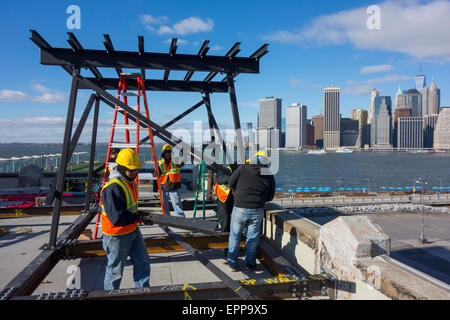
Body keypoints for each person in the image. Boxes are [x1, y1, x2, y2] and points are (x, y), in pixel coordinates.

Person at [100, 148, 151, 290]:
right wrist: (137, 217)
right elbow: (117, 217)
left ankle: (142, 291)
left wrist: (140, 216)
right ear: (122, 168)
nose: (135, 172)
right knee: (115, 272)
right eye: (131, 170)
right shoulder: (113, 188)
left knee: (143, 263)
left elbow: (129, 208)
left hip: (132, 230)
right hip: (116, 236)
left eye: (136, 169)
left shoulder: (129, 181)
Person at [226, 151, 276, 272]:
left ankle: (232, 264)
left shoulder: (243, 167)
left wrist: (237, 194)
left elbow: (231, 182)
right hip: (257, 209)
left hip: (239, 207)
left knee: (235, 235)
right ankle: (250, 264)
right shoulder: (268, 173)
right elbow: (270, 196)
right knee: (252, 238)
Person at [158, 144, 185, 217]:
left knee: (177, 203)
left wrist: (181, 153)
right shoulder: (160, 163)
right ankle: (166, 218)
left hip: (174, 186)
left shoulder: (175, 161)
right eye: (166, 152)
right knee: (164, 205)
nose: (168, 154)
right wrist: (156, 188)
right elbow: (157, 175)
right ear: (163, 153)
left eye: (169, 152)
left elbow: (182, 163)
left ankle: (181, 219)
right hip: (163, 187)